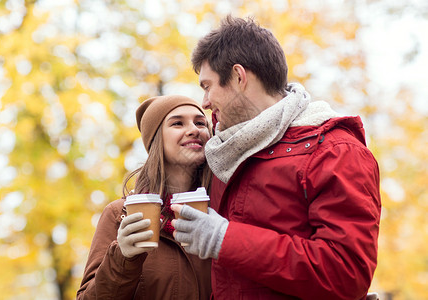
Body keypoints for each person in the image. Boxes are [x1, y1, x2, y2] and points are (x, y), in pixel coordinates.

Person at [171, 16, 381, 300]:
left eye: (207, 86)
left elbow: (346, 273)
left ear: (238, 77)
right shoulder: (225, 152)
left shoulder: (334, 150)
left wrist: (225, 239)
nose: (205, 101)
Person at [77, 95, 213, 299]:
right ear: (156, 139)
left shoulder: (225, 208)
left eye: (200, 122)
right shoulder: (120, 214)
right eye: (177, 123)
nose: (194, 129)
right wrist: (123, 257)